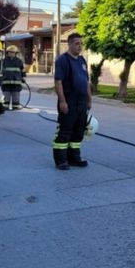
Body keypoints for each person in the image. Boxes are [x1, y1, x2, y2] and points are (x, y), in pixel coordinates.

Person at [52, 33, 92, 170]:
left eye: (81, 43)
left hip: (81, 100)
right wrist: (62, 101)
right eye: (77, 43)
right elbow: (58, 82)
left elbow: (86, 81)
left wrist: (89, 99)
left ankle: (74, 158)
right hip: (69, 99)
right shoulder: (62, 60)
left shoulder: (82, 60)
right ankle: (61, 161)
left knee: (79, 131)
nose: (80, 46)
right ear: (69, 44)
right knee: (65, 131)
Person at [1, 45, 25, 110]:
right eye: (10, 52)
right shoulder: (3, 61)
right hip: (6, 82)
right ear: (7, 53)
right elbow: (0, 71)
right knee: (6, 94)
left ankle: (15, 106)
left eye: (13, 52)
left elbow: (22, 70)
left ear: (16, 53)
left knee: (16, 94)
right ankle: (5, 106)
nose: (11, 53)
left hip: (16, 82)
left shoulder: (19, 61)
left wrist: (23, 78)